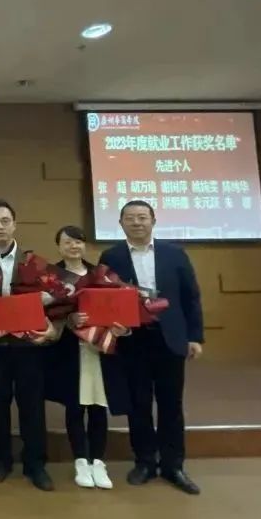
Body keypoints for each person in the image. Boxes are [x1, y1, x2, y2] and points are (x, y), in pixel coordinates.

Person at [99, 200, 204, 495]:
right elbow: (104, 297)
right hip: (133, 340)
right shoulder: (112, 256)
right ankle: (144, 462)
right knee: (139, 404)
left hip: (170, 339)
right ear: (121, 223)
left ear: (153, 221)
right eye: (130, 218)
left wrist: (194, 337)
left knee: (172, 405)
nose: (137, 223)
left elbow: (191, 297)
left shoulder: (175, 254)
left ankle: (173, 465)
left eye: (142, 217)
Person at [0, 199, 56, 492]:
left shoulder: (33, 262)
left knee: (32, 405)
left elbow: (56, 294)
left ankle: (35, 464)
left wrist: (46, 311)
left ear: (14, 225)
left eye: (5, 221)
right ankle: (0, 460)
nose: (0, 227)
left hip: (28, 346)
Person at [44, 225, 130, 490]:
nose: (74, 246)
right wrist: (68, 318)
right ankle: (81, 460)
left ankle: (98, 462)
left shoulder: (101, 274)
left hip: (100, 351)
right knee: (75, 406)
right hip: (70, 352)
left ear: (84, 245)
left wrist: (121, 327)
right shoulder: (52, 277)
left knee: (98, 406)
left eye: (78, 242)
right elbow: (44, 313)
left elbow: (120, 307)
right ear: (59, 246)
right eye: (67, 242)